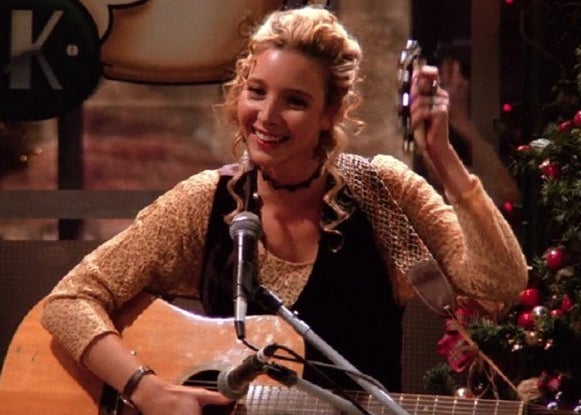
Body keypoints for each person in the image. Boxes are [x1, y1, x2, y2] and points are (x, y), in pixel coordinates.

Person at [40, 5, 528, 415]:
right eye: (257, 91)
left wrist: (444, 158)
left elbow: (501, 284)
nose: (267, 116)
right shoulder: (206, 201)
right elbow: (69, 302)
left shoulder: (381, 190)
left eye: (294, 101)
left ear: (330, 114)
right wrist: (146, 389)